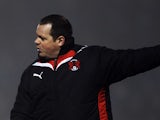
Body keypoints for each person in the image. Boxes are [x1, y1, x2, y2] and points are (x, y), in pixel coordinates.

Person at [10, 14, 160, 120]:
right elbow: (20, 113)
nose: (36, 41)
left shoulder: (93, 59)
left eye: (42, 38)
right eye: (37, 36)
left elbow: (135, 59)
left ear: (60, 40)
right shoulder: (31, 72)